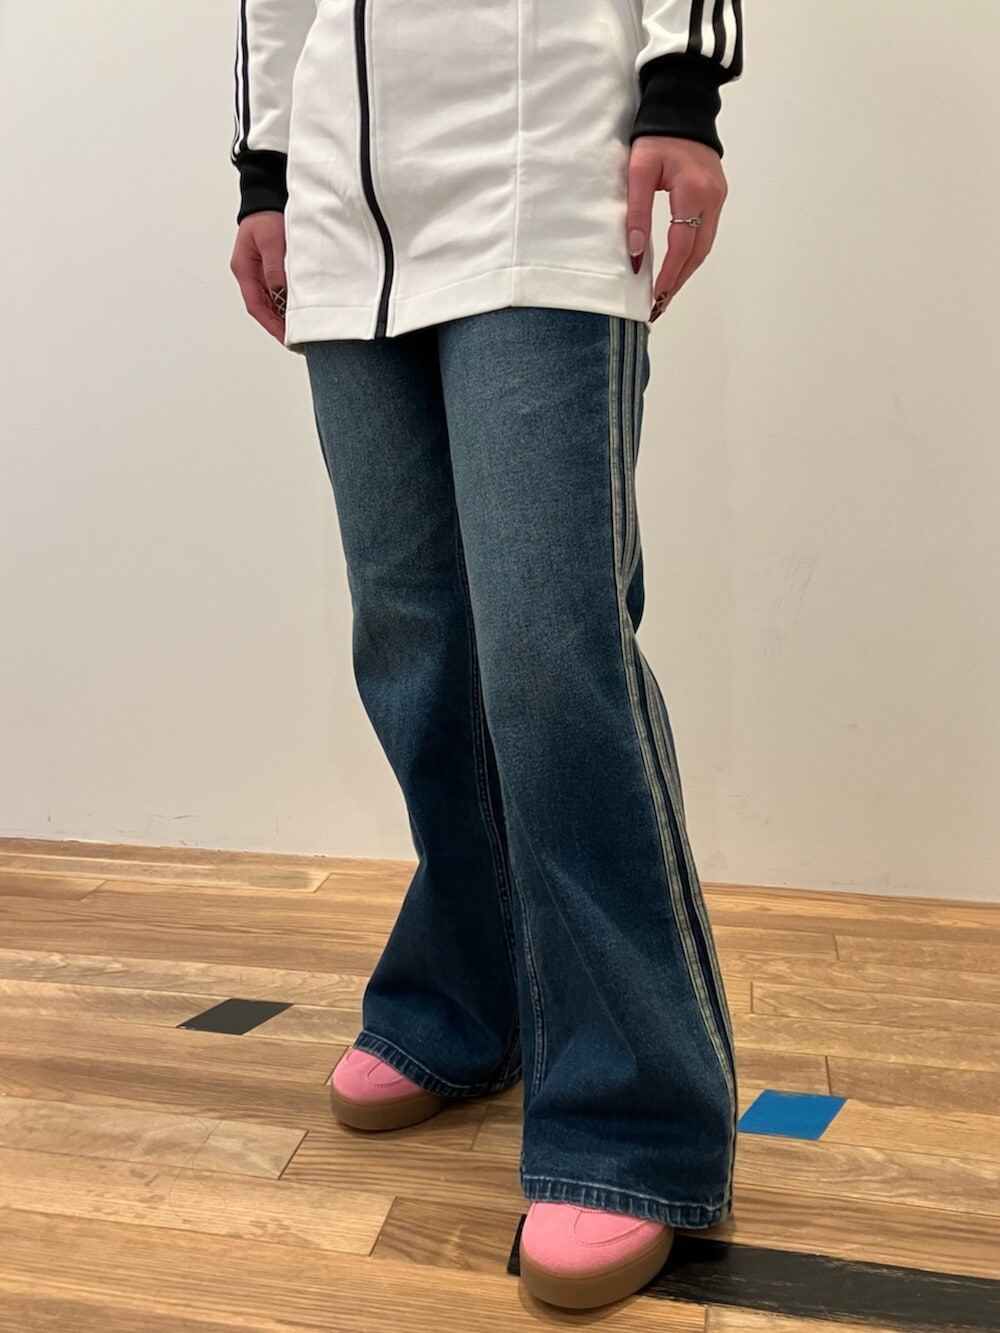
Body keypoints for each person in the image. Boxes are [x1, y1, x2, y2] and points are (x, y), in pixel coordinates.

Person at [229, 0, 743, 1312]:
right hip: (344, 202)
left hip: (546, 156)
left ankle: (632, 1118)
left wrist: (683, 87)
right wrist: (267, 169)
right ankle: (467, 998)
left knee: (551, 656)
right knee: (413, 644)